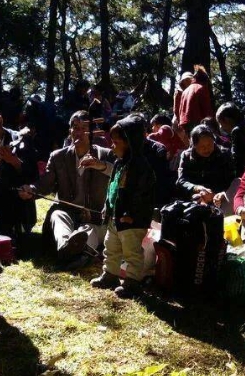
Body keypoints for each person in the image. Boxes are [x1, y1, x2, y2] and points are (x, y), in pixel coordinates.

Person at [20, 110, 114, 270]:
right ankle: (67, 248)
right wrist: (31, 190)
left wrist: (101, 165)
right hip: (68, 213)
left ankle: (73, 255)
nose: (78, 132)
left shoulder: (106, 155)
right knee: (57, 215)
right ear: (70, 131)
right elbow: (45, 185)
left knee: (88, 230)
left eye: (84, 128)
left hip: (94, 217)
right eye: (75, 127)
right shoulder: (58, 157)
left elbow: (121, 176)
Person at [91, 115, 155, 298]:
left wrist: (130, 213)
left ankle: (132, 282)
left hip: (132, 220)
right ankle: (110, 274)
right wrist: (107, 205)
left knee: (132, 251)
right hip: (115, 216)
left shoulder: (140, 167)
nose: (112, 146)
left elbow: (141, 195)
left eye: (116, 142)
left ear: (130, 143)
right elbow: (112, 187)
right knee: (111, 246)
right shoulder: (120, 163)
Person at [176, 124, 235, 205]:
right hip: (196, 198)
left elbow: (232, 180)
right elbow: (181, 181)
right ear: (194, 145)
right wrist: (197, 188)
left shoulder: (224, 154)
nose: (206, 149)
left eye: (210, 144)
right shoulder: (186, 156)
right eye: (202, 146)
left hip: (221, 197)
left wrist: (222, 193)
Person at [215, 102, 245, 177]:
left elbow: (236, 157)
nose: (220, 127)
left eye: (220, 123)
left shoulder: (236, 131)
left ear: (227, 119)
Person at [178, 65, 213, 134]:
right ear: (204, 79)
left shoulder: (184, 91)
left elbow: (180, 110)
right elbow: (207, 108)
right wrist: (212, 121)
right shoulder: (201, 88)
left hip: (185, 124)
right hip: (198, 123)